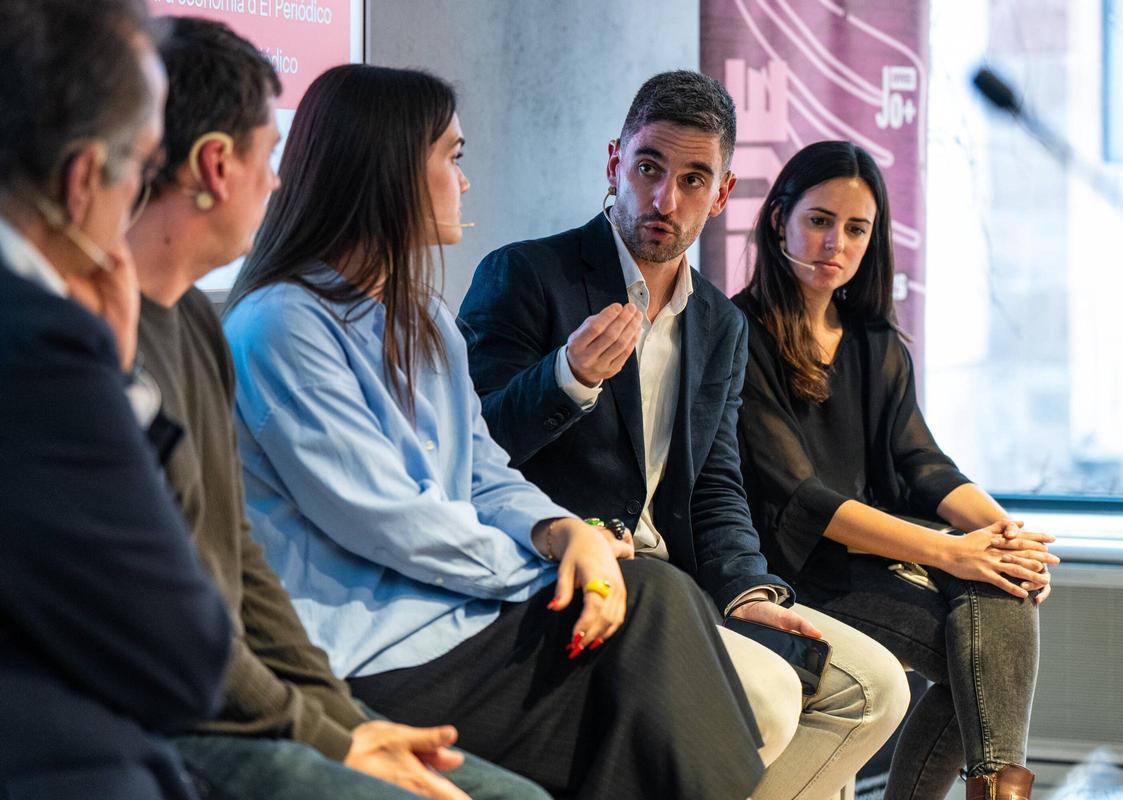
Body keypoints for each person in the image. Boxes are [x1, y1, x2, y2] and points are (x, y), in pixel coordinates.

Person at [222, 64, 766, 800]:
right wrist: (556, 568)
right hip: (374, 650)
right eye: (451, 157)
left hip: (459, 619)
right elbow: (385, 517)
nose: (464, 180)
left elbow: (482, 470)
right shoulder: (282, 323)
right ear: (387, 171)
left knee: (655, 651)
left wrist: (562, 535)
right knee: (656, 621)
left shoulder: (424, 321)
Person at [458, 70, 909, 800]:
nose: (665, 200)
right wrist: (567, 377)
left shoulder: (719, 324)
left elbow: (717, 483)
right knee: (768, 695)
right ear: (615, 163)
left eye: (694, 179)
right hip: (576, 572)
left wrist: (748, 589)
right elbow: (472, 454)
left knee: (878, 689)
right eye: (649, 169)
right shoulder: (525, 275)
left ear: (723, 194)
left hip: (690, 585)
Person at [130, 18, 547, 800]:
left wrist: (332, 719)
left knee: (653, 616)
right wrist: (329, 727)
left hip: (293, 673)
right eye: (269, 156)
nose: (281, 183)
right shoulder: (265, 323)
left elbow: (239, 573)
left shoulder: (189, 320)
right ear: (216, 165)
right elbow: (374, 517)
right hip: (178, 710)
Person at [731, 140, 1057, 800]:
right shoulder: (738, 333)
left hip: (868, 560)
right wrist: (948, 552)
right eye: (820, 220)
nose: (836, 244)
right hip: (789, 566)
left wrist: (1006, 536)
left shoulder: (874, 340)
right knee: (984, 665)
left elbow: (921, 463)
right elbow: (801, 497)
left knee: (1005, 594)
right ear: (779, 220)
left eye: (856, 229)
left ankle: (992, 789)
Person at [0, 2, 232, 798]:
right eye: (139, 163)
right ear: (79, 180)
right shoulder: (40, 347)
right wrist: (112, 379)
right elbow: (180, 655)